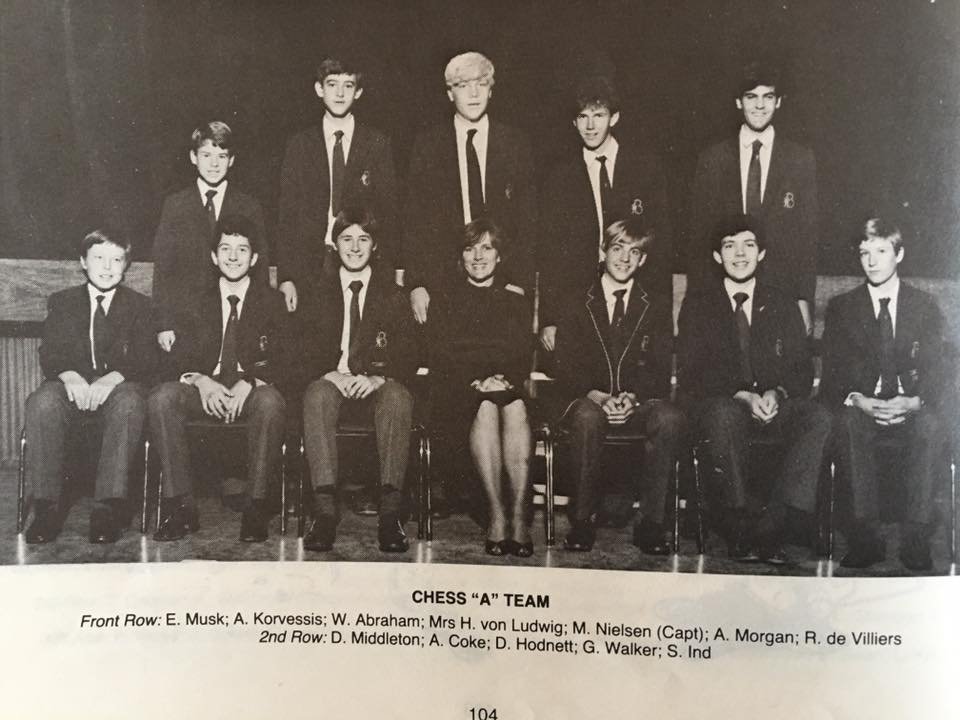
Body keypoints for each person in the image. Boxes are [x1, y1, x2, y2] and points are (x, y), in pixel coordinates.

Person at [677, 214, 831, 563]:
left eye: (749, 245)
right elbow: (691, 372)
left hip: (772, 403)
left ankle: (773, 523)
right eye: (729, 246)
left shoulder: (782, 303)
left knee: (818, 416)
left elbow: (801, 371)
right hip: (725, 408)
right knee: (724, 414)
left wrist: (776, 393)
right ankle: (739, 521)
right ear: (717, 256)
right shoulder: (699, 304)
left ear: (762, 253)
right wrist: (740, 394)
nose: (740, 254)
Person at [820, 217, 949, 571]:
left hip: (911, 408)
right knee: (846, 422)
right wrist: (858, 399)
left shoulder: (924, 306)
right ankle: (865, 538)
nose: (872, 261)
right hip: (863, 409)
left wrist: (915, 401)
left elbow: (938, 370)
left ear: (900, 254)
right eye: (865, 253)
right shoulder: (842, 308)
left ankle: (917, 538)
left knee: (932, 426)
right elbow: (832, 376)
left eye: (881, 251)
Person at [147, 215, 287, 543]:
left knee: (270, 401)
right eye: (225, 248)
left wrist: (251, 381)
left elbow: (287, 362)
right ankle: (181, 505)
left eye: (242, 249)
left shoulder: (272, 301)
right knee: (161, 397)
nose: (233, 256)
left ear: (254, 258)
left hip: (249, 389)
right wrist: (200, 380)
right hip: (204, 387)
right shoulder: (194, 299)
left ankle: (255, 505)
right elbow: (172, 361)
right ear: (214, 256)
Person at [553, 217, 684, 553]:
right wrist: (598, 396)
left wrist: (631, 397)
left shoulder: (654, 305)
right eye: (617, 248)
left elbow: (657, 366)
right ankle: (582, 522)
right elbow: (566, 367)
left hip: (635, 402)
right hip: (587, 399)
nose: (625, 258)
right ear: (603, 251)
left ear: (643, 260)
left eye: (634, 252)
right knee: (586, 418)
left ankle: (652, 525)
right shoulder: (575, 300)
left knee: (668, 418)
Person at [24, 229, 155, 544]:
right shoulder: (63, 301)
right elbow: (50, 352)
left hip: (119, 388)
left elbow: (147, 358)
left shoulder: (139, 306)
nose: (107, 267)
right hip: (73, 386)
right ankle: (46, 507)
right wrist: (69, 374)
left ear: (126, 266)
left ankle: (108, 508)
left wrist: (114, 377)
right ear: (83, 262)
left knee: (130, 402)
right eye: (99, 258)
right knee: (42, 402)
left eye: (116, 259)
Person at [300, 206, 417, 553]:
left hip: (376, 384)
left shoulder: (392, 296)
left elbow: (411, 355)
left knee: (398, 397)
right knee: (316, 395)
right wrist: (329, 372)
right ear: (334, 245)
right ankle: (324, 513)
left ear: (375, 246)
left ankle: (390, 514)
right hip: (332, 380)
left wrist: (379, 377)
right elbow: (298, 354)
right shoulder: (316, 293)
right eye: (346, 239)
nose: (354, 247)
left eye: (363, 239)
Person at [539, 74, 672, 352]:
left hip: (633, 297)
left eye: (598, 115)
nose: (590, 126)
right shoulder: (559, 178)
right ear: (573, 121)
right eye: (582, 116)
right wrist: (550, 319)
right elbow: (552, 254)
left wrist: (661, 318)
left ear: (614, 117)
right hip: (582, 304)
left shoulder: (645, 168)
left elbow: (660, 245)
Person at [403, 51, 536, 324]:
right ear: (450, 94)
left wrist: (519, 282)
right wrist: (417, 284)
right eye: (463, 86)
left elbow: (528, 220)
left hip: (504, 282)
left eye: (481, 84)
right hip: (444, 283)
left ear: (491, 90)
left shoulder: (515, 144)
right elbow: (415, 221)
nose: (473, 93)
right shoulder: (427, 146)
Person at [685, 60, 818, 334]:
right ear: (738, 102)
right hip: (725, 295)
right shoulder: (713, 159)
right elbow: (699, 237)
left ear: (779, 102)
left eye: (768, 97)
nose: (759, 106)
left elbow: (807, 236)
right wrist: (697, 300)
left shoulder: (800, 159)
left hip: (781, 294)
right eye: (751, 97)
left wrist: (804, 298)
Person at [429, 218, 534, 556]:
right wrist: (477, 380)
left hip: (504, 384)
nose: (478, 256)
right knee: (487, 405)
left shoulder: (515, 298)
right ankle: (497, 515)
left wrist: (502, 378)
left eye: (487, 247)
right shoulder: (445, 298)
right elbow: (442, 353)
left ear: (500, 256)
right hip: (459, 391)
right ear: (461, 256)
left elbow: (520, 351)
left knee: (515, 404)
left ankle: (519, 514)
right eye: (470, 248)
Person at [276, 57, 399, 314]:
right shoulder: (299, 145)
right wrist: (287, 277)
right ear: (319, 89)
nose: (340, 93)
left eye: (348, 85)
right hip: (311, 266)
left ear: (359, 92)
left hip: (361, 262)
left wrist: (385, 272)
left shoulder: (377, 144)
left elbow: (388, 213)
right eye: (332, 84)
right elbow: (287, 215)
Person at [152, 121, 268, 355]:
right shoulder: (175, 205)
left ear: (232, 160)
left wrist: (258, 323)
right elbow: (164, 269)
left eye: (222, 156)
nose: (214, 164)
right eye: (206, 155)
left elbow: (260, 267)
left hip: (233, 318)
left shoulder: (249, 206)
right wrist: (164, 324)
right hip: (187, 323)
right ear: (193, 157)